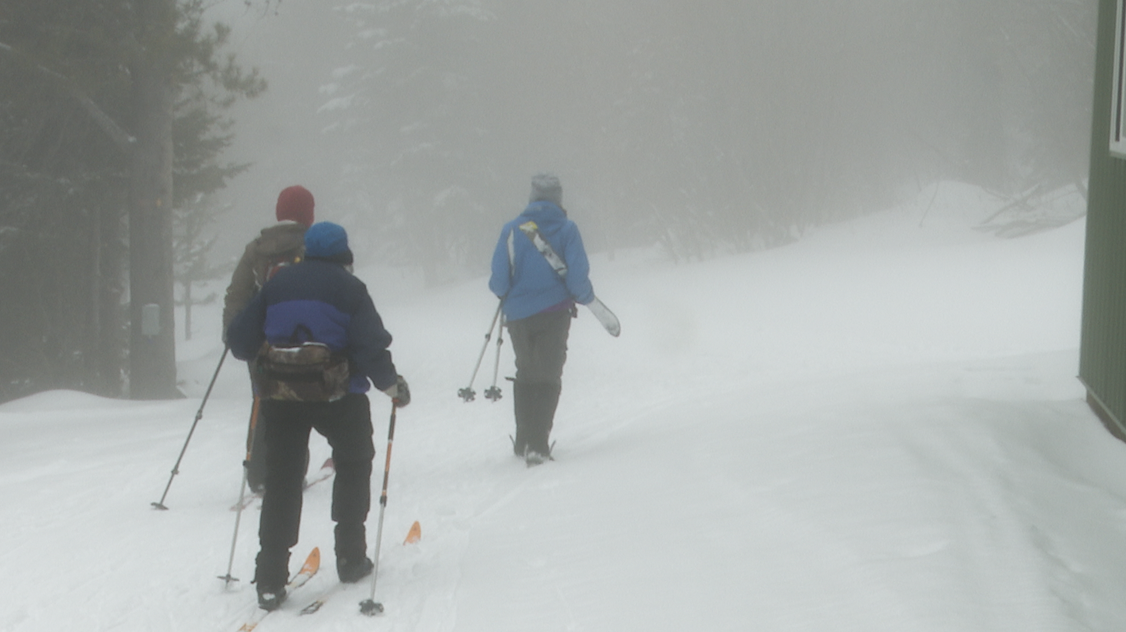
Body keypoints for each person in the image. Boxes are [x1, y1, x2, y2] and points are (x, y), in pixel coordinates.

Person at [226, 221, 410, 610]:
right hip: (339, 395)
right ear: (344, 254)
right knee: (354, 462)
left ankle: (271, 578)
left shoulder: (277, 284)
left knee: (282, 480)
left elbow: (240, 340)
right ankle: (350, 556)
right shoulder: (350, 289)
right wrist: (392, 385)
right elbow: (370, 346)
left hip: (281, 396)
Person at [489, 173, 595, 465]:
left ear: (532, 197)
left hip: (519, 316)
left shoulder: (511, 230)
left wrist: (512, 295)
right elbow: (577, 275)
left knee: (526, 371)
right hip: (554, 312)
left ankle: (523, 440)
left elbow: (498, 281)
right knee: (549, 374)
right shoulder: (567, 230)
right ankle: (538, 443)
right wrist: (584, 296)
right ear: (558, 198)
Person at [223, 185, 315, 493]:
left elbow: (236, 293)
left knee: (263, 398)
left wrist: (234, 334)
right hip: (303, 338)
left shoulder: (256, 249)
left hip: (261, 340)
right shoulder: (311, 245)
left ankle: (258, 472)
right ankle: (292, 471)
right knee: (298, 399)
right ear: (307, 215)